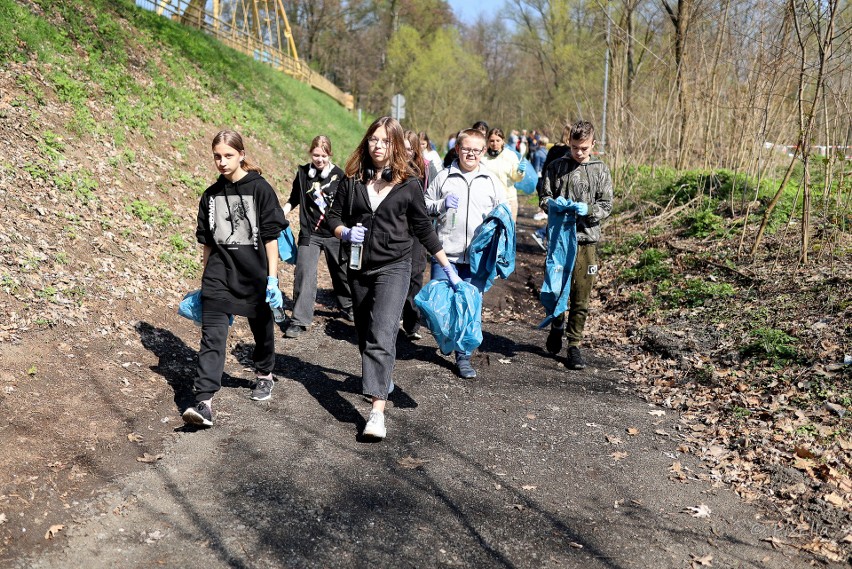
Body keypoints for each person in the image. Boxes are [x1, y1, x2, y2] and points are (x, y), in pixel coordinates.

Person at [327, 116, 462, 441]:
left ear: (396, 145)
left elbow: (422, 227)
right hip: (358, 266)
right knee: (363, 331)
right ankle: (381, 376)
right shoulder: (353, 179)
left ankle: (376, 411)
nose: (378, 146)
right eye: (373, 139)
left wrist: (446, 266)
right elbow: (333, 216)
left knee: (383, 331)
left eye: (385, 141)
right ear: (366, 142)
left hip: (395, 266)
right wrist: (344, 232)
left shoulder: (409, 184)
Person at [182, 130, 288, 427]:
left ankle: (265, 374)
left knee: (262, 329)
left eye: (228, 155)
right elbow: (207, 243)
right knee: (212, 338)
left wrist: (272, 279)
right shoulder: (211, 195)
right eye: (217, 156)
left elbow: (270, 239)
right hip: (219, 276)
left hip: (254, 276)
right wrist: (204, 281)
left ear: (241, 154)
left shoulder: (260, 189)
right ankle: (203, 403)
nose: (222, 162)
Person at [425, 128, 504, 379]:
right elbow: (424, 205)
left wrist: (497, 245)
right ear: (457, 149)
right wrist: (441, 204)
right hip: (445, 253)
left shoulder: (490, 181)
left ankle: (463, 357)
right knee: (439, 306)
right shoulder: (444, 178)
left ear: (483, 152)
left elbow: (503, 216)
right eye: (466, 149)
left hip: (476, 258)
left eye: (476, 150)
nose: (470, 153)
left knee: (469, 308)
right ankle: (447, 336)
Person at [537, 120, 613, 370]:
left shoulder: (600, 170)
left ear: (593, 144)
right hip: (560, 240)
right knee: (558, 290)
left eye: (583, 148)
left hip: (586, 240)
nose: (579, 152)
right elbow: (544, 198)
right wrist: (555, 205)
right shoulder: (556, 166)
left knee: (581, 296)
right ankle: (557, 324)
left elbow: (606, 205)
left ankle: (574, 346)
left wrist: (588, 209)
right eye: (574, 147)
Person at [281, 135, 352, 339]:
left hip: (334, 232)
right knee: (304, 273)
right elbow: (294, 198)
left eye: (323, 155)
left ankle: (348, 305)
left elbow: (347, 205)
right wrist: (281, 213)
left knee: (342, 272)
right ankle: (299, 320)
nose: (319, 159)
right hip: (310, 233)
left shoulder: (340, 176)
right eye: (315, 155)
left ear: (330, 155)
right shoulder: (304, 173)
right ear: (310, 154)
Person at [400, 129, 429, 340]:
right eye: (403, 149)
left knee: (416, 274)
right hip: (398, 227)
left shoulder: (426, 169)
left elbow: (431, 198)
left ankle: (412, 321)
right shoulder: (390, 168)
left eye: (410, 149)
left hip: (418, 228)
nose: (406, 153)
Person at [480, 127, 525, 222]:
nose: (495, 144)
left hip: (509, 200)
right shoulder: (482, 157)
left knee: (508, 233)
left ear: (503, 141)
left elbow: (516, 178)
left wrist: (520, 173)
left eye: (498, 140)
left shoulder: (510, 155)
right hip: (488, 201)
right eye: (491, 141)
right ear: (487, 141)